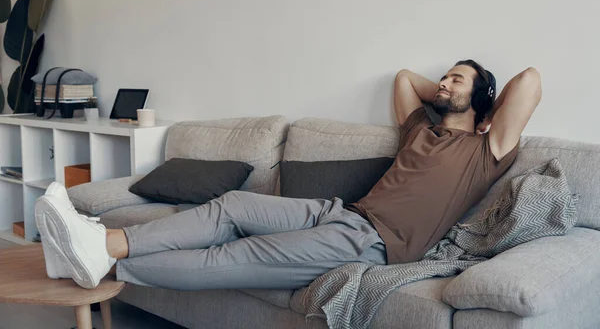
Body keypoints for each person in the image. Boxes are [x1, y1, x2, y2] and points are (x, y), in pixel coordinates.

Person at [34, 60, 542, 290]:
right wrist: (447, 92)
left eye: (458, 79)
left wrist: (479, 107)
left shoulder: (486, 149)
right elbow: (405, 78)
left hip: (373, 242)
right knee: (230, 206)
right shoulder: (420, 132)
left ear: (481, 101)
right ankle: (102, 241)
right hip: (340, 213)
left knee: (233, 256)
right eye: (447, 76)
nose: (445, 82)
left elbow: (531, 81)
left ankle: (102, 264)